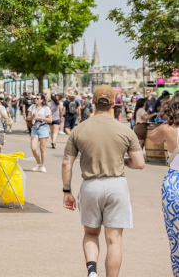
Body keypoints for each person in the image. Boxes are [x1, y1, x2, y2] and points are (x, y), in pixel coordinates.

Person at [62, 85, 145, 277]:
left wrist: (67, 190)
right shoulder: (124, 130)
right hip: (117, 185)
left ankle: (92, 271)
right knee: (114, 240)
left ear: (93, 102)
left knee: (91, 233)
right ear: (115, 103)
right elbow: (139, 163)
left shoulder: (79, 129)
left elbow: (67, 163)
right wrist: (119, 159)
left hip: (91, 185)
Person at [147, 95, 179, 275]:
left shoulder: (167, 129)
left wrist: (168, 119)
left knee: (176, 239)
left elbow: (153, 138)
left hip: (174, 184)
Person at [28, 93, 53, 173]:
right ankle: (38, 163)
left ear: (42, 100)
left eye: (38, 98)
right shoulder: (32, 107)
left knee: (42, 149)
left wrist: (41, 118)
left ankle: (43, 165)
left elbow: (50, 120)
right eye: (35, 98)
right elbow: (28, 118)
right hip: (35, 127)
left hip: (43, 127)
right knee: (33, 148)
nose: (36, 100)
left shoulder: (46, 108)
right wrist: (32, 116)